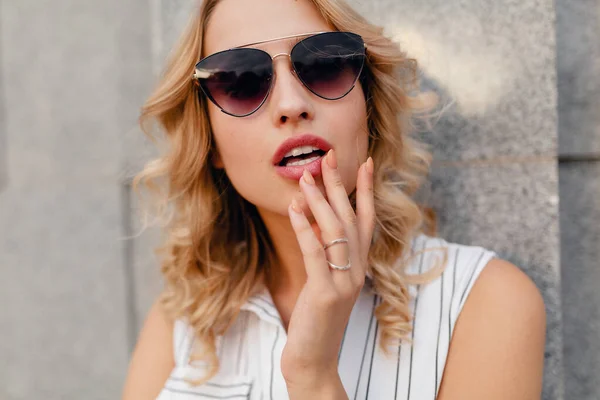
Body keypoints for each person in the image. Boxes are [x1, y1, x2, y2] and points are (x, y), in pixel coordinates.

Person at [121, 0, 546, 398]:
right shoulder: (183, 323)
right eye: (241, 81)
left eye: (323, 65)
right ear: (209, 141)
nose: (291, 104)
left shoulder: (483, 301)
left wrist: (314, 374)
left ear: (368, 106)